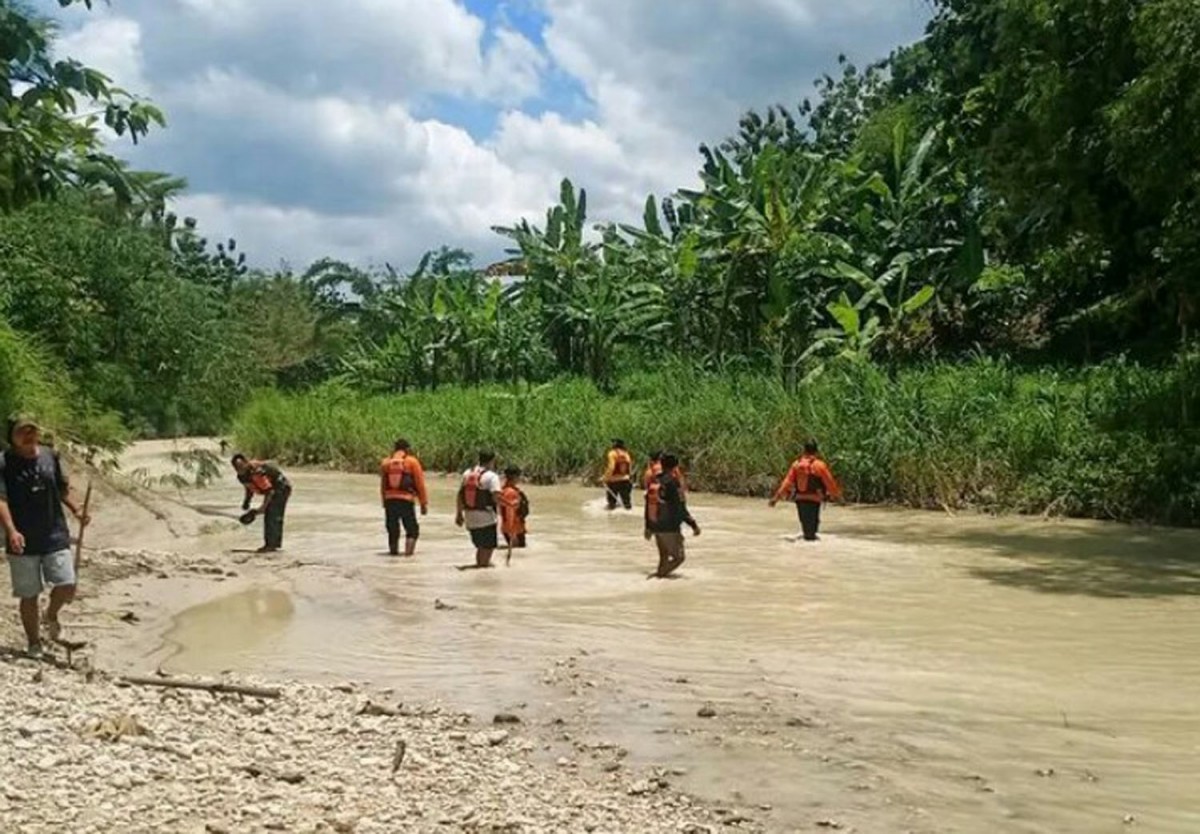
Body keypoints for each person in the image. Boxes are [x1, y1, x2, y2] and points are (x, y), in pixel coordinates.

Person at [1, 415, 91, 658]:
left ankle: (50, 615)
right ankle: (33, 644)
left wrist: (77, 509)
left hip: (54, 533)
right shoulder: (4, 462)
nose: (29, 435)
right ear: (12, 436)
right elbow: (1, 500)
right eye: (23, 431)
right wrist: (11, 531)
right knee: (28, 594)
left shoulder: (50, 456)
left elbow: (61, 489)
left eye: (33, 430)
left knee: (67, 585)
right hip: (22, 539)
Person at [769, 439, 842, 541]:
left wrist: (775, 498)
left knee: (806, 528)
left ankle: (805, 548)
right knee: (812, 532)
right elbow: (830, 483)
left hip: (800, 500)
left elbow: (786, 483)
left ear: (804, 450)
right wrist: (838, 497)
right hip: (815, 500)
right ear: (816, 451)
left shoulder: (796, 465)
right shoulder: (819, 465)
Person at [644, 453, 700, 579]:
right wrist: (693, 525)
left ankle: (660, 586)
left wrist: (648, 527)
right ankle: (657, 578)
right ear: (676, 466)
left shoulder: (655, 480)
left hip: (656, 526)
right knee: (679, 558)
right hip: (670, 528)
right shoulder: (673, 484)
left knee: (664, 557)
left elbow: (648, 504)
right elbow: (681, 508)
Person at [232, 454, 292, 553]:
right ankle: (272, 544)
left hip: (281, 488)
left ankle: (271, 546)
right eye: (237, 467)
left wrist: (263, 507)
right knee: (270, 514)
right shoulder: (241, 476)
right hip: (273, 489)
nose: (240, 469)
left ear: (246, 463)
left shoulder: (256, 472)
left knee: (272, 515)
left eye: (241, 466)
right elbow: (249, 487)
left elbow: (269, 491)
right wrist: (247, 501)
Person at [455, 451, 503, 570]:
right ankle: (482, 575)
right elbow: (496, 497)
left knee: (480, 547)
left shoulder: (467, 473)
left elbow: (460, 495)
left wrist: (459, 514)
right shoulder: (492, 477)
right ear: (492, 461)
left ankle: (479, 568)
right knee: (487, 548)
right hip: (486, 518)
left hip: (470, 517)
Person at [380, 439, 428, 557]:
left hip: (390, 500)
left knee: (393, 530)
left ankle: (393, 555)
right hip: (406, 500)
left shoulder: (386, 463)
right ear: (407, 449)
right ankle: (408, 558)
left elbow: (383, 485)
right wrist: (423, 503)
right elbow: (420, 484)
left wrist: (384, 502)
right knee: (412, 530)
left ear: (395, 449)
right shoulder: (412, 462)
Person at [499, 466, 529, 564]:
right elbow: (510, 512)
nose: (520, 478)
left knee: (519, 555)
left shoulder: (505, 490)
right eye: (519, 476)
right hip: (513, 528)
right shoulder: (510, 492)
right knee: (518, 558)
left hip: (512, 527)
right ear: (514, 476)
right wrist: (513, 533)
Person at [603, 439, 634, 510]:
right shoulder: (626, 454)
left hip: (614, 481)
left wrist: (605, 478)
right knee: (627, 505)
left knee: (611, 505)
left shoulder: (612, 453)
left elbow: (611, 467)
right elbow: (630, 469)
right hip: (626, 481)